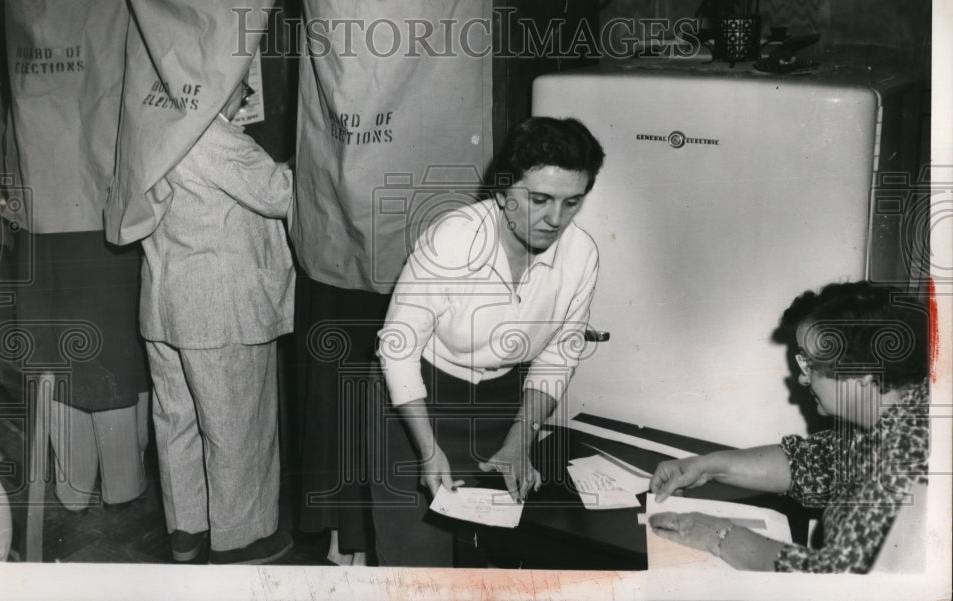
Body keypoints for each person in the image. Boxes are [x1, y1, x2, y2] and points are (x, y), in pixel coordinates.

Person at [369, 116, 606, 567]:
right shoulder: (452, 241)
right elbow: (398, 350)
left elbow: (559, 355)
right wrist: (427, 448)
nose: (556, 219)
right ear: (502, 192)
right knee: (420, 566)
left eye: (572, 202)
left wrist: (521, 438)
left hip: (502, 404)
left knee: (493, 560)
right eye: (540, 199)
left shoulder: (582, 255)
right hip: (415, 403)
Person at [648, 280, 930, 572]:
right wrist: (707, 466)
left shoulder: (909, 460)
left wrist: (717, 535)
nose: (802, 378)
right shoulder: (890, 416)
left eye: (810, 364)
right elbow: (815, 462)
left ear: (862, 373)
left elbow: (833, 580)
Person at [139, 81, 296, 564]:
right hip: (219, 307)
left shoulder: (153, 124)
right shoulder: (212, 133)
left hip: (164, 303)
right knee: (235, 423)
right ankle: (239, 539)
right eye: (238, 87)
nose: (245, 97)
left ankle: (187, 531)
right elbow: (278, 194)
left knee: (178, 422)